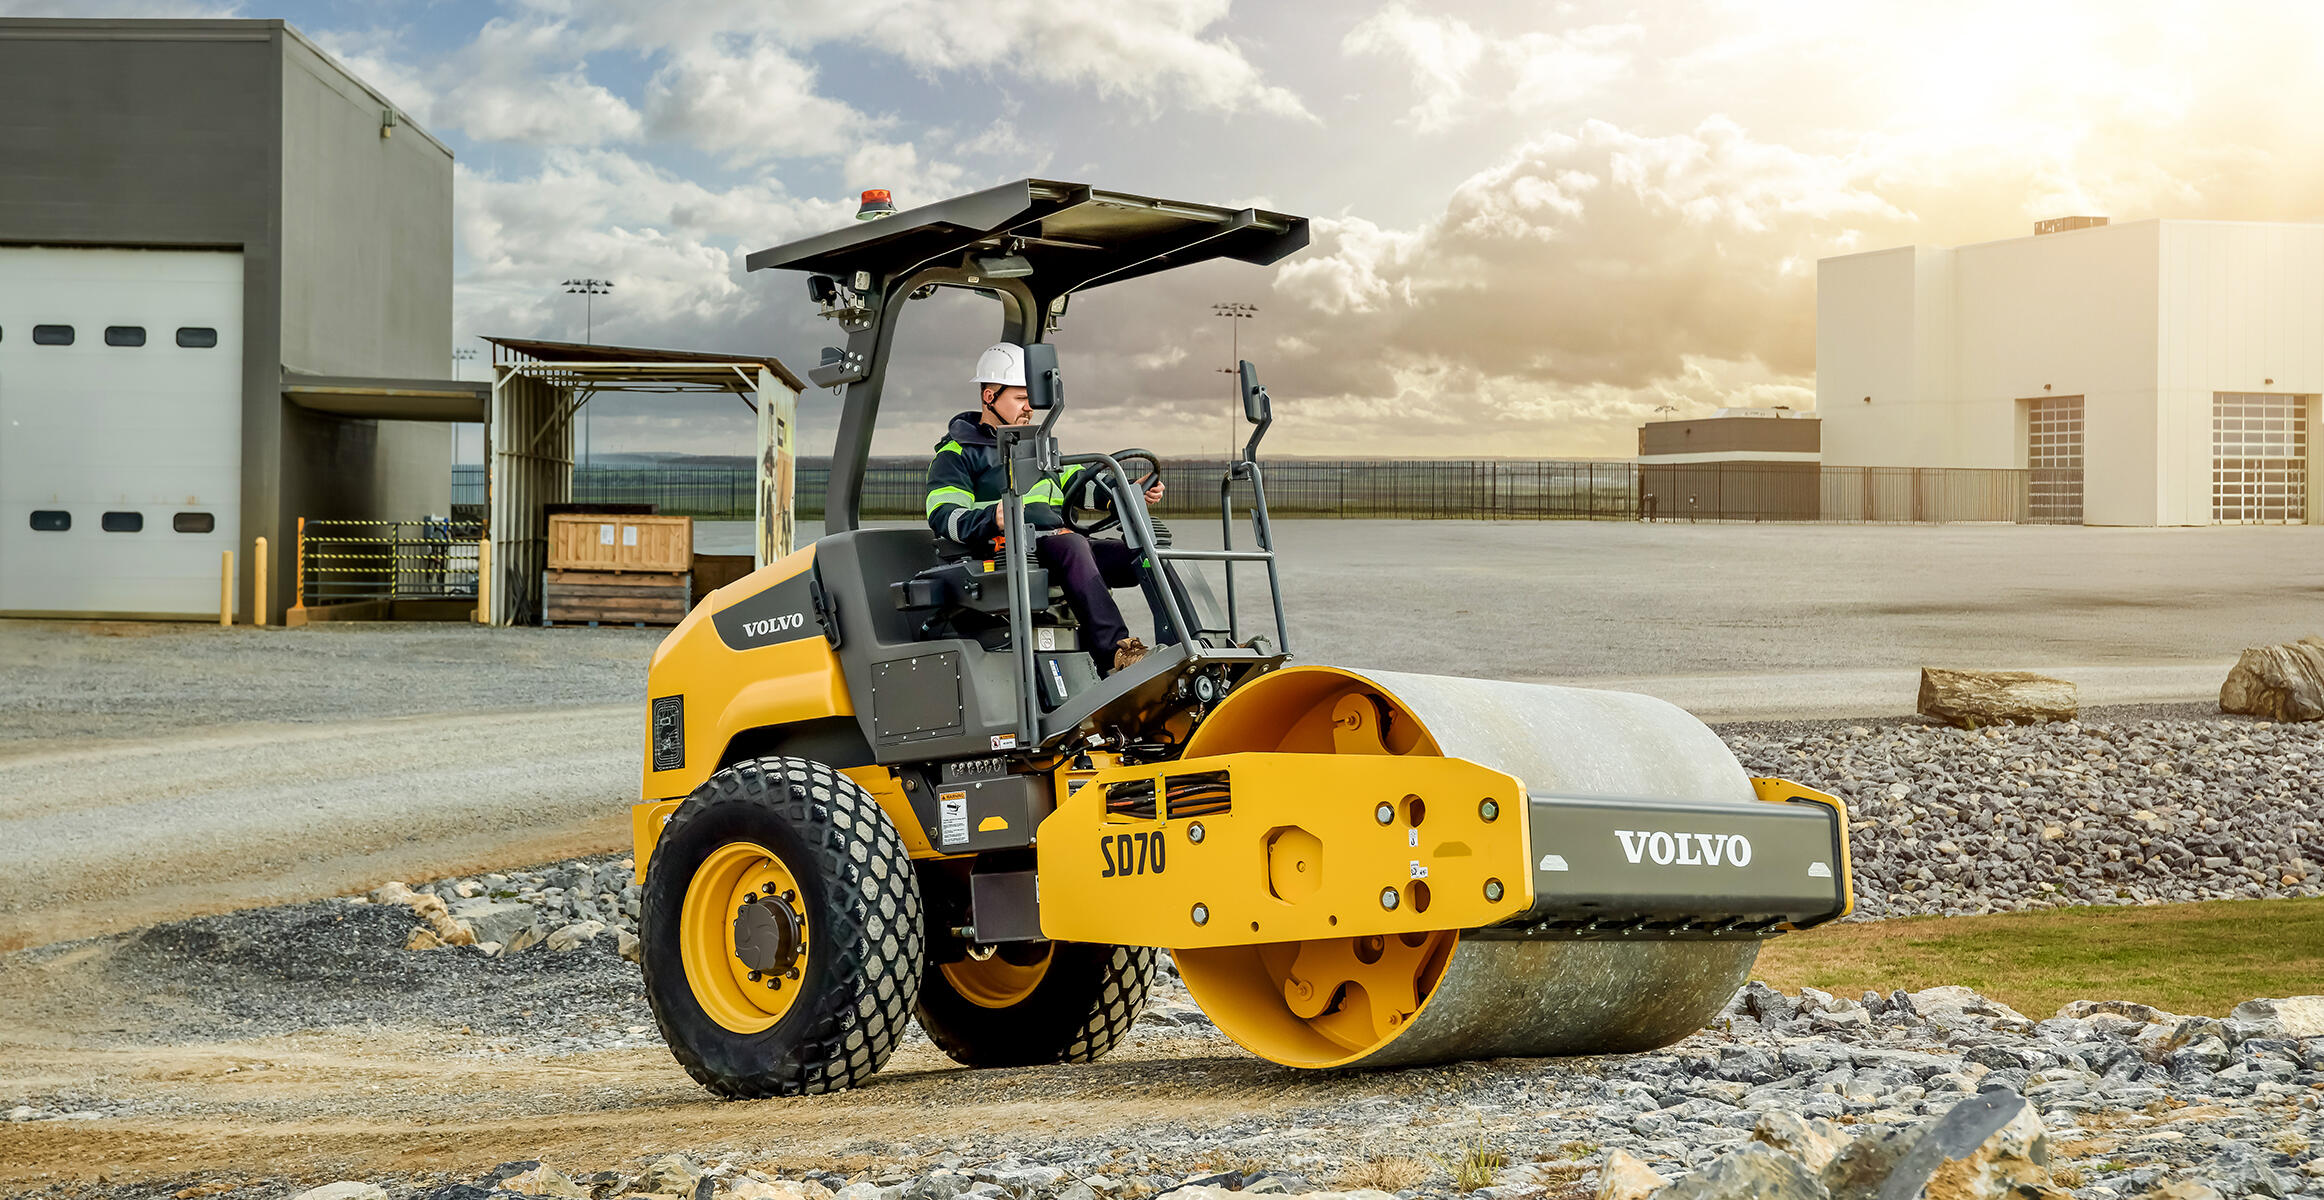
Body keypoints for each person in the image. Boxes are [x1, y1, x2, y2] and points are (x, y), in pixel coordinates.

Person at [924, 343, 1166, 675]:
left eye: (1032, 399)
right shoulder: (956, 454)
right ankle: (1115, 655)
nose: (1029, 408)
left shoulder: (1039, 449)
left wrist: (1125, 492)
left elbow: (1082, 485)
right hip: (1003, 552)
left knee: (1144, 553)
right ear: (990, 397)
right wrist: (992, 517)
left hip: (1058, 547)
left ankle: (1193, 643)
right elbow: (943, 515)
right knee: (1072, 544)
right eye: (1021, 398)